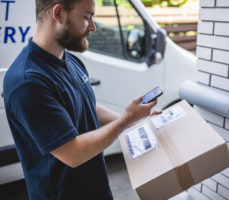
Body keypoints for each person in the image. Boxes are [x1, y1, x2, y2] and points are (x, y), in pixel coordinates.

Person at [3, 0, 160, 199]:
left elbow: (87, 108)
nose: (93, 27)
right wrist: (125, 120)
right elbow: (72, 153)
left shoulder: (69, 60)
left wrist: (137, 122)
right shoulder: (28, 81)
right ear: (59, 13)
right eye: (86, 17)